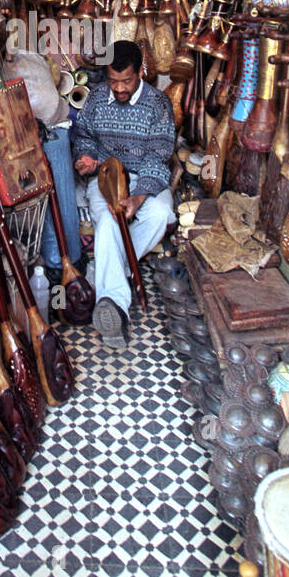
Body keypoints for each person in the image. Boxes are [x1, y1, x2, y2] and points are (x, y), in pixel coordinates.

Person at [72, 41, 175, 349]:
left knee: (161, 214)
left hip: (144, 176)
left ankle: (104, 268)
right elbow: (84, 136)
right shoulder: (96, 99)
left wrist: (138, 197)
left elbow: (158, 156)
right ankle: (116, 306)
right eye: (113, 81)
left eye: (126, 81)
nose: (118, 88)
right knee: (106, 225)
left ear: (140, 73)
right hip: (106, 176)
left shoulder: (158, 104)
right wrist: (86, 158)